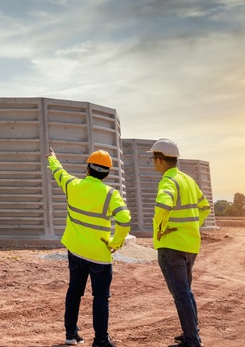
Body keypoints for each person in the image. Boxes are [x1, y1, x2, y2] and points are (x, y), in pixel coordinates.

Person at [47, 147, 131, 347]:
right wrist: (115, 243)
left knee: (74, 291)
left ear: (87, 169)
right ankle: (101, 340)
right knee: (100, 296)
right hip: (99, 255)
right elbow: (125, 219)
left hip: (75, 251)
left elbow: (59, 173)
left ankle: (70, 334)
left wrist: (53, 158)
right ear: (107, 173)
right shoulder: (111, 194)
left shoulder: (73, 185)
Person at [149, 139, 211, 347]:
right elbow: (205, 208)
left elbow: (163, 206)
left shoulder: (168, 181)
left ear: (159, 159)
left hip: (171, 245)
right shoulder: (188, 180)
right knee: (186, 291)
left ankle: (192, 340)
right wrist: (192, 226)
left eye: (153, 159)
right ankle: (191, 332)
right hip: (190, 244)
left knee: (181, 294)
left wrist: (160, 229)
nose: (153, 162)